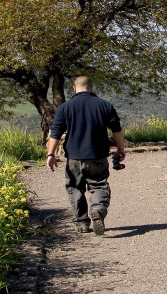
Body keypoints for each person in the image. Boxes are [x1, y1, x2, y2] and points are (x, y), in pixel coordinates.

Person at [46, 76, 126, 236]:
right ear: (91, 88)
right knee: (99, 185)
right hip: (98, 155)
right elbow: (116, 130)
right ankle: (98, 209)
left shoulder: (65, 107)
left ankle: (82, 223)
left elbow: (55, 133)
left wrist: (50, 154)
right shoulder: (105, 105)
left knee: (75, 188)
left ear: (74, 88)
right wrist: (120, 149)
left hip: (74, 157)